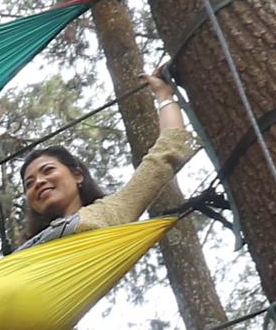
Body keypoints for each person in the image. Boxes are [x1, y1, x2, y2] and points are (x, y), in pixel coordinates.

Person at [11, 73, 196, 248]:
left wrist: (164, 95)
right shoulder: (27, 250)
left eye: (48, 170)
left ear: (77, 175)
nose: (39, 182)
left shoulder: (110, 211)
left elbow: (169, 149)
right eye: (29, 183)